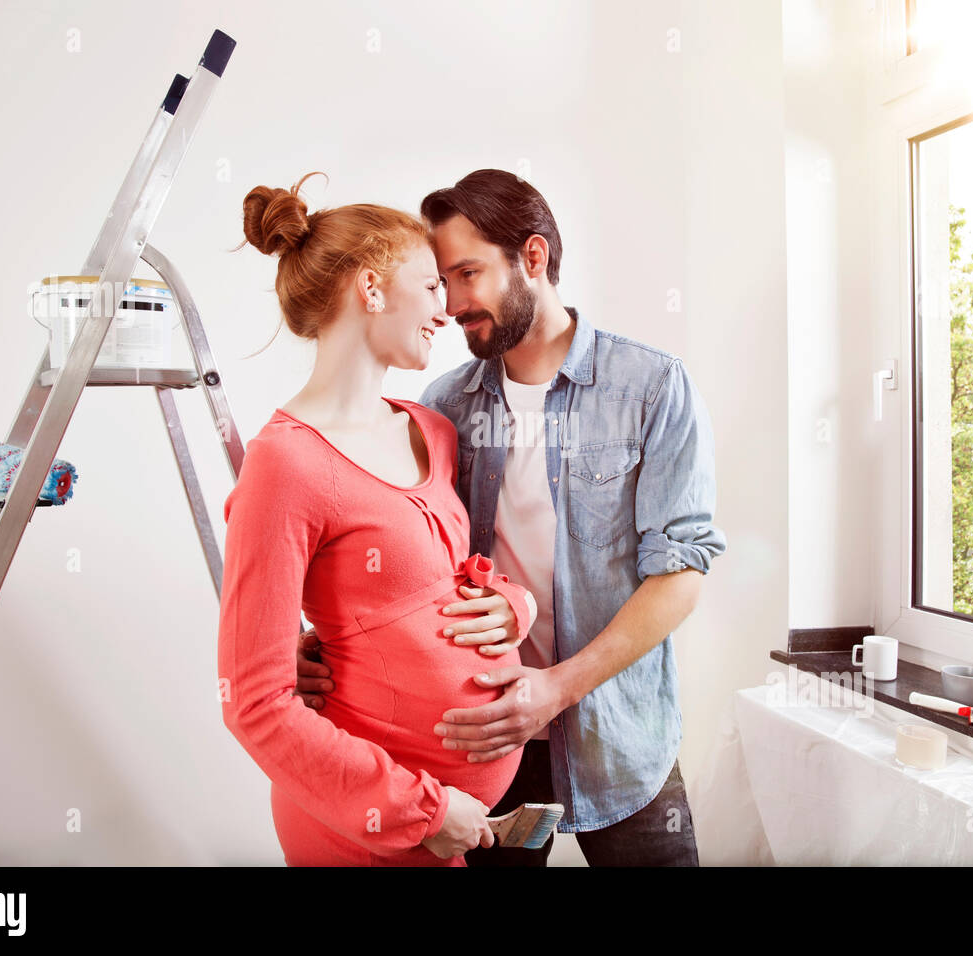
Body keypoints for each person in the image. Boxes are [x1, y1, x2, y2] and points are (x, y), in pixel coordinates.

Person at [298, 169, 726, 866]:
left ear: (533, 257)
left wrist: (554, 690)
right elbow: (405, 561)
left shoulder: (651, 389)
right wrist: (318, 646)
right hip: (478, 738)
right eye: (442, 281)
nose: (454, 303)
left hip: (618, 740)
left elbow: (680, 575)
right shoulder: (445, 407)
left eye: (469, 273)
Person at [217, 172, 538, 866]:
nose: (446, 309)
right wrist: (420, 811)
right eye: (430, 287)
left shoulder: (431, 428)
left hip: (454, 828)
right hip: (363, 833)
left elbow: (442, 578)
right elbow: (255, 703)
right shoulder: (284, 465)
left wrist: (513, 604)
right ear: (370, 289)